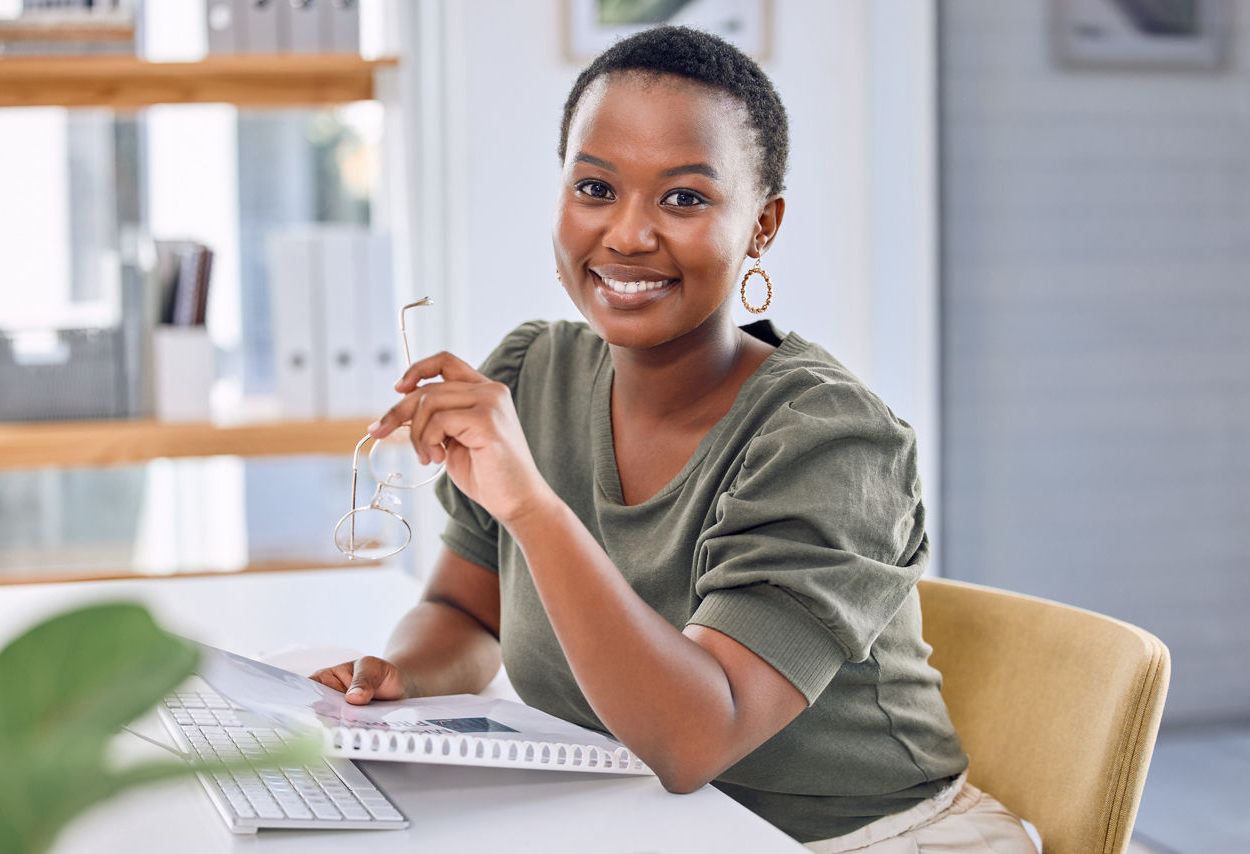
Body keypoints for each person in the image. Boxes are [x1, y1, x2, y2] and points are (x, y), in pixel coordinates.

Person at [311, 25, 1038, 853]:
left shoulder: (834, 443)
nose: (626, 234)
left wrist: (533, 506)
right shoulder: (531, 373)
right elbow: (463, 612)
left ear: (762, 226)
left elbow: (697, 737)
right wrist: (402, 676)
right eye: (594, 188)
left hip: (862, 840)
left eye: (685, 198)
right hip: (644, 826)